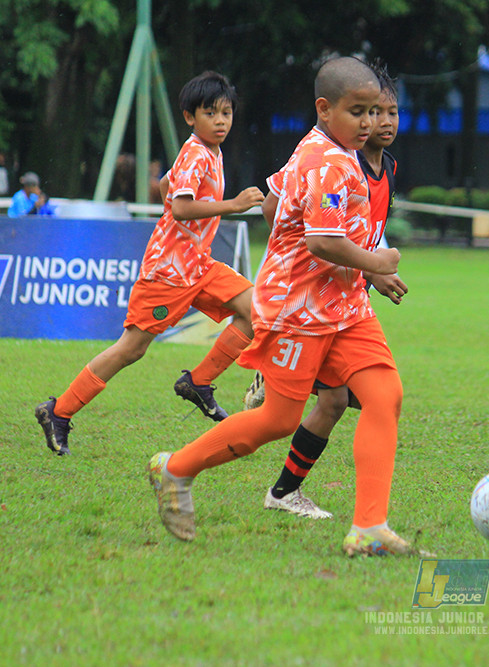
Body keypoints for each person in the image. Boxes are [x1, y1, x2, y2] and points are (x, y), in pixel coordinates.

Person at [148, 56, 429, 558]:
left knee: (384, 395)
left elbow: (276, 199)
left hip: (345, 307)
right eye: (358, 112)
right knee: (277, 420)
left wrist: (296, 236)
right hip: (299, 311)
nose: (369, 123)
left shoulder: (319, 148)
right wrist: (375, 261)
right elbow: (322, 242)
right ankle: (176, 468)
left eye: (374, 112)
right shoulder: (331, 162)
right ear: (324, 109)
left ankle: (369, 528)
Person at [34, 71, 265, 455]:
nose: (220, 121)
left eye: (226, 113)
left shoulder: (210, 151)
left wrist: (183, 224)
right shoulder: (196, 153)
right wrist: (234, 205)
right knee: (131, 349)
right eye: (210, 113)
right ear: (190, 117)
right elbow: (181, 207)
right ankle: (57, 411)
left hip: (197, 264)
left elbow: (166, 186)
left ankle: (199, 383)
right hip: (168, 271)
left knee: (256, 310)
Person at [246, 63, 405, 521]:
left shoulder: (384, 167)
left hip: (346, 298)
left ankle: (286, 492)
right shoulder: (331, 158)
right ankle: (270, 374)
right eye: (370, 111)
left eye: (389, 112)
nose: (381, 122)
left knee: (343, 401)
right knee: (333, 403)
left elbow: (361, 228)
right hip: (309, 303)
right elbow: (284, 209)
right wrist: (322, 254)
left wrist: (369, 265)